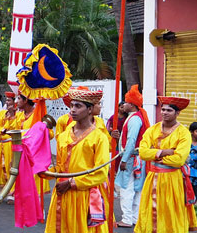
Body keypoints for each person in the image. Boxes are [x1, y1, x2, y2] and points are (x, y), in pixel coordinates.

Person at [45, 87, 109, 233]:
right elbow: (60, 166)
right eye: (72, 106)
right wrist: (46, 171)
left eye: (78, 106)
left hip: (83, 195)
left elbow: (101, 173)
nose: (73, 110)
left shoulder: (99, 138)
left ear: (90, 109)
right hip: (62, 193)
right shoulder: (64, 135)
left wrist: (72, 183)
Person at [135, 96, 197, 233]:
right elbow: (143, 153)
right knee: (149, 212)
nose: (164, 112)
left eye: (169, 110)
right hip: (152, 179)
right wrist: (165, 152)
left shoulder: (183, 133)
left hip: (173, 180)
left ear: (177, 113)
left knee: (171, 212)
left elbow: (179, 160)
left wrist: (154, 155)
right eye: (163, 109)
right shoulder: (152, 130)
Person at [115, 85, 150, 228]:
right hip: (136, 158)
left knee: (126, 188)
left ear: (132, 104)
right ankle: (134, 218)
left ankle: (127, 218)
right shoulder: (136, 117)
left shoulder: (135, 119)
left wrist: (123, 160)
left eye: (126, 102)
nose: (123, 105)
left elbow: (131, 141)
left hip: (131, 159)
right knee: (136, 188)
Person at [0, 91, 24, 200]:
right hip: (2, 145)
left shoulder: (20, 115)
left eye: (9, 100)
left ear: (14, 102)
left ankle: (12, 194)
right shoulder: (2, 113)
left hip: (13, 146)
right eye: (6, 100)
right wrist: (3, 130)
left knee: (12, 168)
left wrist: (12, 116)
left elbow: (17, 128)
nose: (7, 102)